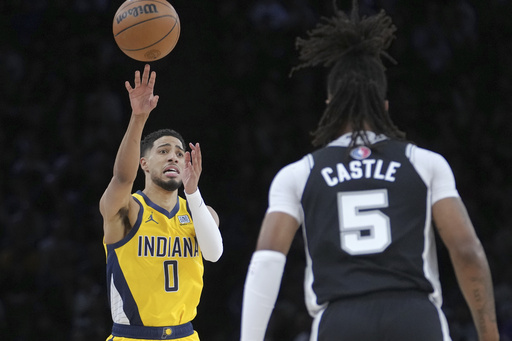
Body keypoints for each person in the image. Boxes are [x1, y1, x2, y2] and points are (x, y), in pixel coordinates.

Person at [240, 1, 499, 341]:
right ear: (384, 105)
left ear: (330, 104)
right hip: (416, 317)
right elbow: (466, 251)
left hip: (340, 321)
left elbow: (267, 264)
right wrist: (490, 334)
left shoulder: (298, 175)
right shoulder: (425, 163)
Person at [100, 64, 223, 341]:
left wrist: (193, 193)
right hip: (132, 336)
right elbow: (121, 178)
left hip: (185, 335)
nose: (174, 158)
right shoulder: (127, 210)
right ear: (143, 163)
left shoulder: (203, 215)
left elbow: (214, 253)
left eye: (180, 154)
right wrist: (138, 118)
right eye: (164, 151)